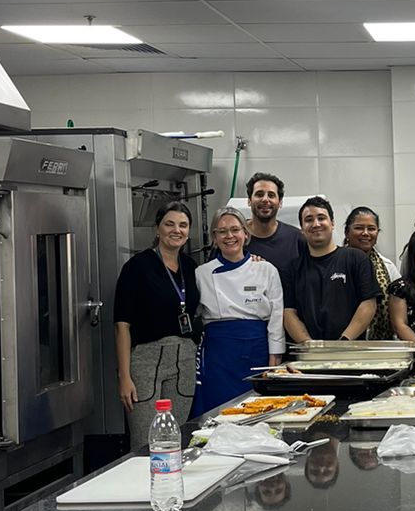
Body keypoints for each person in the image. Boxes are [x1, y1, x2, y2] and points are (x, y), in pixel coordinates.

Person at [114, 201, 201, 447]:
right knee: (146, 441)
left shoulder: (191, 267)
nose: (177, 230)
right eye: (169, 224)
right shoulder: (137, 267)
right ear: (157, 229)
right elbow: (122, 326)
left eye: (183, 225)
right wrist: (124, 376)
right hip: (146, 360)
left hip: (183, 359)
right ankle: (143, 484)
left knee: (176, 438)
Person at [190, 206, 285, 418]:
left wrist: (274, 360)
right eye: (222, 231)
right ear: (214, 237)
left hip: (257, 350)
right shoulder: (202, 273)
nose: (229, 236)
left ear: (245, 233)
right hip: (218, 354)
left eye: (235, 229)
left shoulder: (266, 269)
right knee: (218, 413)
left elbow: (276, 318)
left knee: (258, 413)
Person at [281, 197, 380, 343]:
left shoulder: (356, 259)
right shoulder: (292, 269)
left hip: (349, 353)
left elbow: (369, 304)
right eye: (309, 220)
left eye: (321, 218)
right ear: (301, 229)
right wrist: (308, 344)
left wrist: (344, 341)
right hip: (307, 358)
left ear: (332, 223)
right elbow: (288, 312)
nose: (316, 224)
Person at [343, 206, 399, 342]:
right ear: (347, 232)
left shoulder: (388, 267)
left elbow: (398, 310)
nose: (366, 233)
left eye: (371, 228)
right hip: (341, 342)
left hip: (379, 345)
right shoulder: (335, 263)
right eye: (359, 228)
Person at [243, 171, 305, 268]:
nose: (265, 200)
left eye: (271, 195)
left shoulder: (297, 239)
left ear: (280, 202)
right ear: (249, 201)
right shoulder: (234, 238)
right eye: (259, 194)